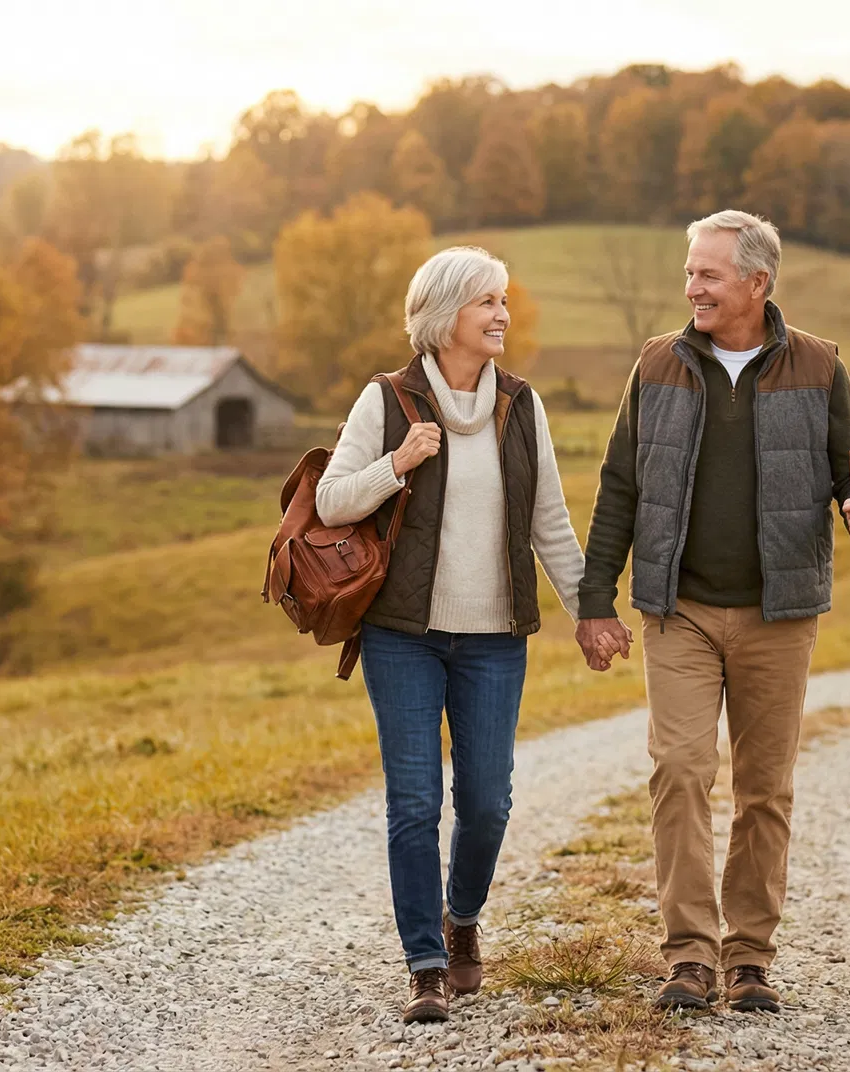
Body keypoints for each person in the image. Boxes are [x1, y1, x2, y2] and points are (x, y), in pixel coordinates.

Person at [575, 210, 850, 1013]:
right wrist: (594, 600)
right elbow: (619, 486)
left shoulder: (817, 366)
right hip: (677, 611)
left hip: (778, 615)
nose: (693, 287)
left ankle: (749, 957)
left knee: (764, 788)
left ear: (757, 281)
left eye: (710, 274)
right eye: (690, 272)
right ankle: (689, 956)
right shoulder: (657, 365)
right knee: (680, 770)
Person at [315, 246, 623, 1023]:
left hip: (494, 637)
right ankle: (424, 962)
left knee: (486, 802)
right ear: (445, 312)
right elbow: (328, 503)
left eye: (504, 301)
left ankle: (462, 919)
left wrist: (589, 609)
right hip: (404, 635)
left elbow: (550, 519)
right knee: (414, 801)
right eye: (487, 301)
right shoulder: (386, 400)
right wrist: (397, 462)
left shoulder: (521, 405)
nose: (502, 315)